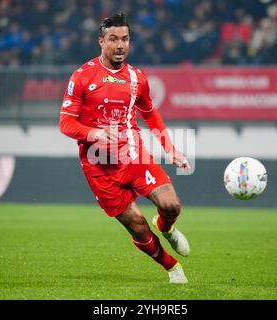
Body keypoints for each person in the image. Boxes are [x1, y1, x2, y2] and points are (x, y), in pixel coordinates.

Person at [59, 13, 191, 282]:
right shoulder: (82, 76)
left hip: (134, 156)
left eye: (125, 39)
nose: (120, 45)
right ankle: (172, 267)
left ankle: (166, 228)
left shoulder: (137, 78)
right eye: (113, 39)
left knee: (171, 205)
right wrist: (93, 132)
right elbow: (66, 123)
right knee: (139, 228)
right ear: (101, 41)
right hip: (99, 170)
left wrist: (170, 148)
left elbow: (150, 113)